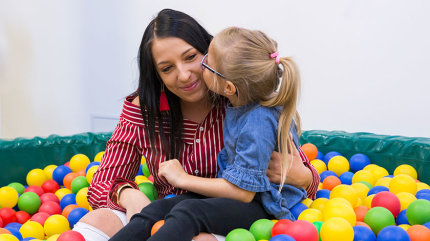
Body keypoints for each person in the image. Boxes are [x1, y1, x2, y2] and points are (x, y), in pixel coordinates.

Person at [74, 9, 319, 241]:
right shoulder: (146, 108)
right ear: (156, 74)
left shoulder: (246, 106)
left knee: (192, 223)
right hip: (191, 207)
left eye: (191, 57)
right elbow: (102, 182)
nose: (183, 75)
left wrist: (302, 177)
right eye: (167, 68)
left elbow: (300, 182)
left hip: (249, 212)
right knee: (145, 213)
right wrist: (129, 195)